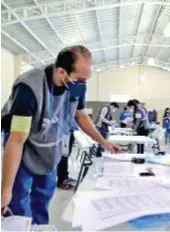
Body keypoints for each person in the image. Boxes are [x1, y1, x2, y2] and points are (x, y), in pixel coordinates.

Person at [1, 45, 121, 224]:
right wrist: (6, 190)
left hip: (50, 148)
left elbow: (80, 115)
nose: (83, 83)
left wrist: (103, 142)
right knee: (18, 203)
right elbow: (17, 140)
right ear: (61, 72)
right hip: (24, 147)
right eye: (79, 79)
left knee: (42, 199)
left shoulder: (76, 87)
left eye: (85, 79)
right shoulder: (29, 88)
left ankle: (40, 228)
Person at [56, 119, 78, 190]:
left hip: (70, 131)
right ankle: (61, 180)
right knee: (63, 157)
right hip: (65, 132)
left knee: (66, 157)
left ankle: (65, 176)